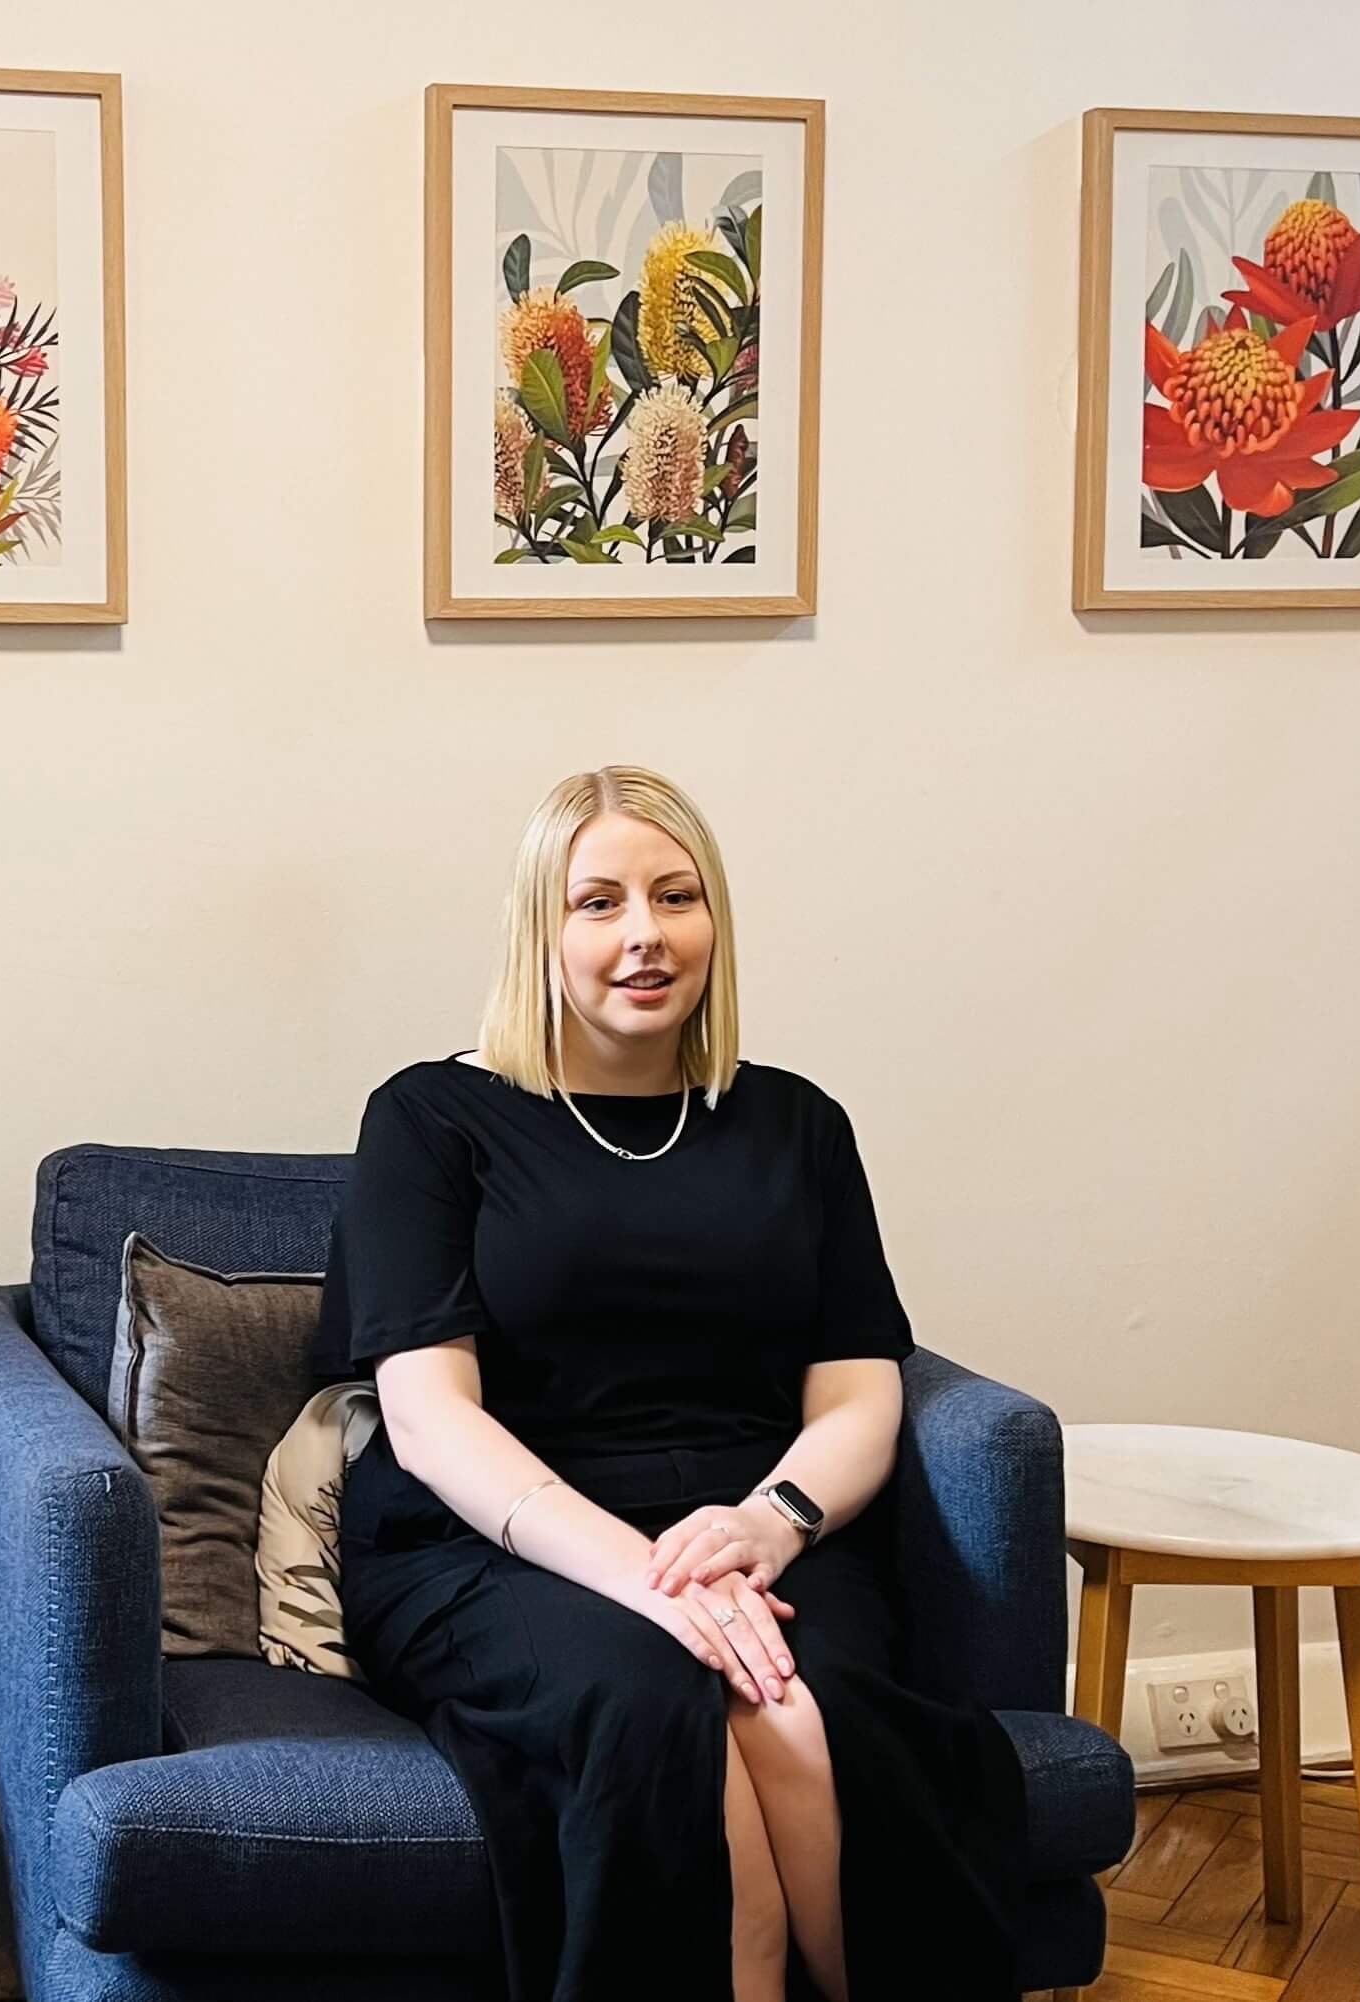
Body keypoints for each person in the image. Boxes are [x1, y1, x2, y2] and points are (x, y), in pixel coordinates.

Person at [312, 766, 1032, 2002]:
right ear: (544, 931)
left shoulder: (798, 1125)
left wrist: (770, 1524)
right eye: (598, 902)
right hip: (498, 1548)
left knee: (814, 1722)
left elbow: (862, 1392)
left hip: (752, 1533)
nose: (644, 932)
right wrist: (653, 1589)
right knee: (665, 1721)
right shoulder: (435, 1119)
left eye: (675, 895)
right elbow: (431, 1421)